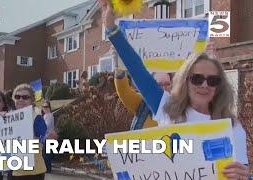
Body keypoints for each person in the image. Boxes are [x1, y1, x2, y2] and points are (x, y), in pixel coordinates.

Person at [98, 0, 250, 179]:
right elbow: (137, 69)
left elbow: (240, 172)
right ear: (185, 81)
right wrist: (110, 28)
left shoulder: (233, 127)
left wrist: (245, 176)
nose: (204, 85)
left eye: (213, 80)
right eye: (197, 78)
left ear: (220, 86)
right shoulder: (166, 108)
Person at [0, 82, 47, 180]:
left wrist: (48, 136)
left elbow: (44, 135)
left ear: (32, 100)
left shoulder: (36, 118)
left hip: (33, 172)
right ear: (14, 99)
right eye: (18, 97)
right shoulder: (10, 116)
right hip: (14, 170)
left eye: (25, 97)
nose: (21, 99)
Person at [41, 100, 56, 173]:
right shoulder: (45, 115)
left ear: (49, 107)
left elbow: (46, 126)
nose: (45, 108)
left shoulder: (49, 115)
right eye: (43, 107)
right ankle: (47, 169)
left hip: (49, 138)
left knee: (46, 155)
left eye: (46, 106)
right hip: (46, 137)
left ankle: (48, 170)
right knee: (46, 154)